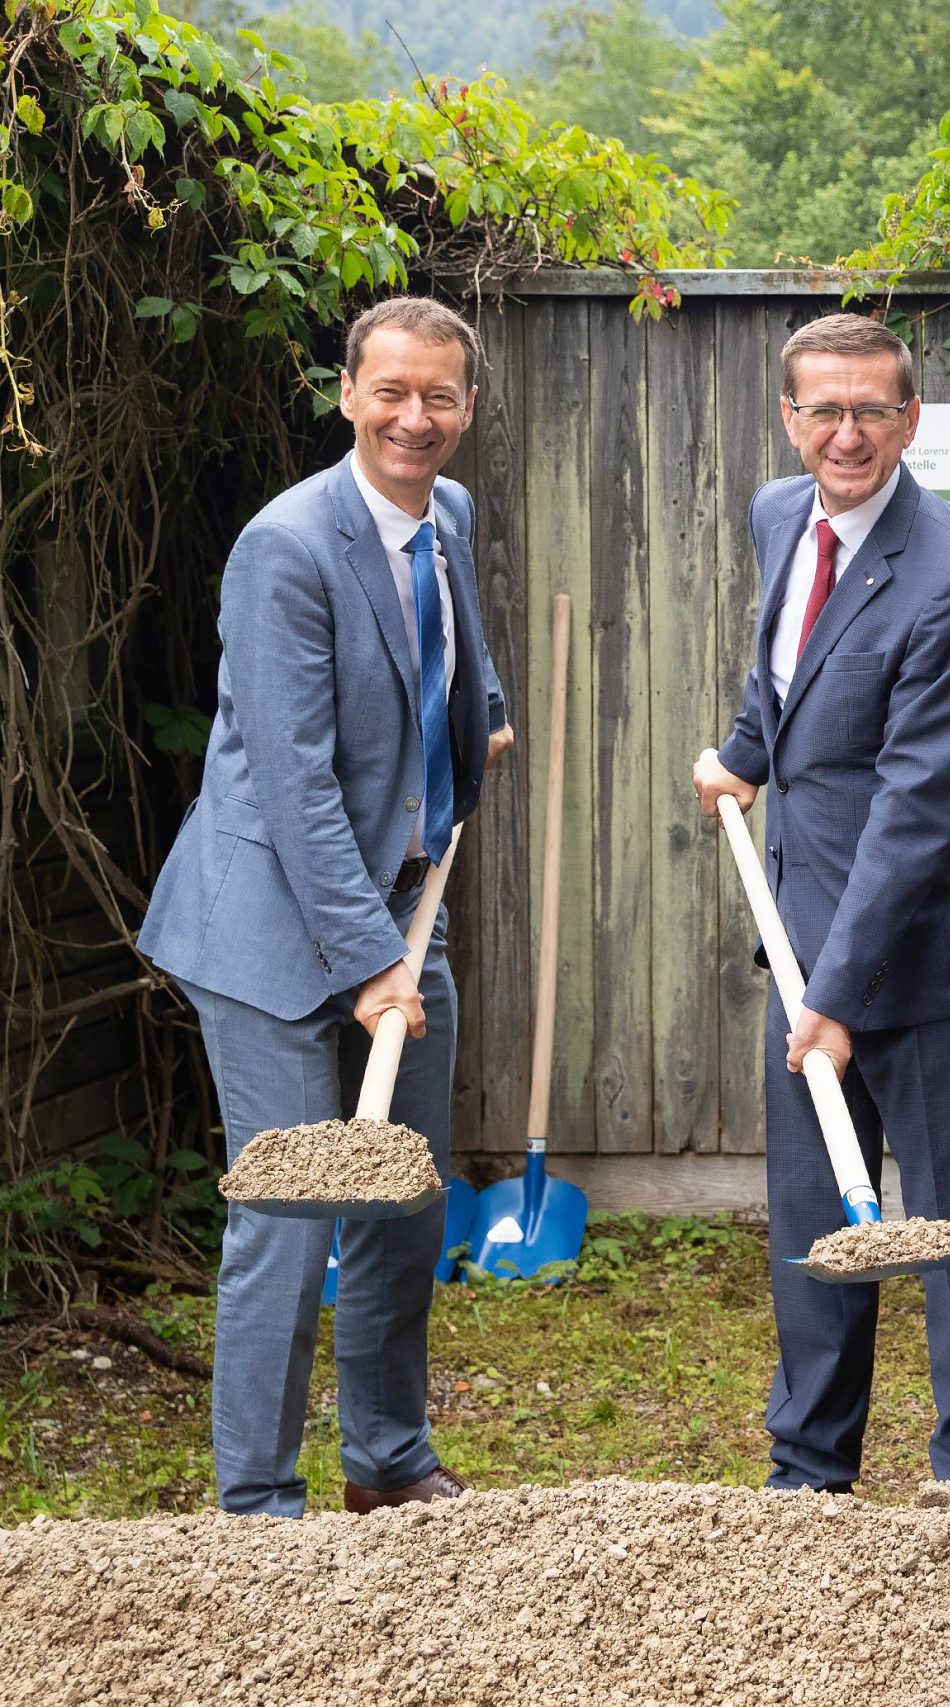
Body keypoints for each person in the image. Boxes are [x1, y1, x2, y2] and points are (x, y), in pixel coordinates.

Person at [137, 297, 513, 1516]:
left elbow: (449, 654)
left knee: (403, 1198)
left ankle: (389, 1463)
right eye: (392, 392)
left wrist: (479, 720)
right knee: (293, 1216)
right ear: (346, 393)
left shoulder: (445, 514)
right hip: (272, 932)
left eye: (440, 397)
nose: (416, 418)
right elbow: (294, 784)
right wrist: (367, 965)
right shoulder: (285, 546)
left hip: (403, 916)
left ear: (467, 406)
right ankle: (257, 1503)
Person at [691, 312, 950, 1489]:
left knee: (949, 1233)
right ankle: (811, 1473)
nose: (848, 434)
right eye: (823, 410)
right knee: (814, 1226)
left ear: (911, 419)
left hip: (934, 956)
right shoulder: (779, 516)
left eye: (873, 410)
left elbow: (923, 804)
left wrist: (837, 994)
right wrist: (745, 750)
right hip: (807, 933)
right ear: (790, 418)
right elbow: (782, 671)